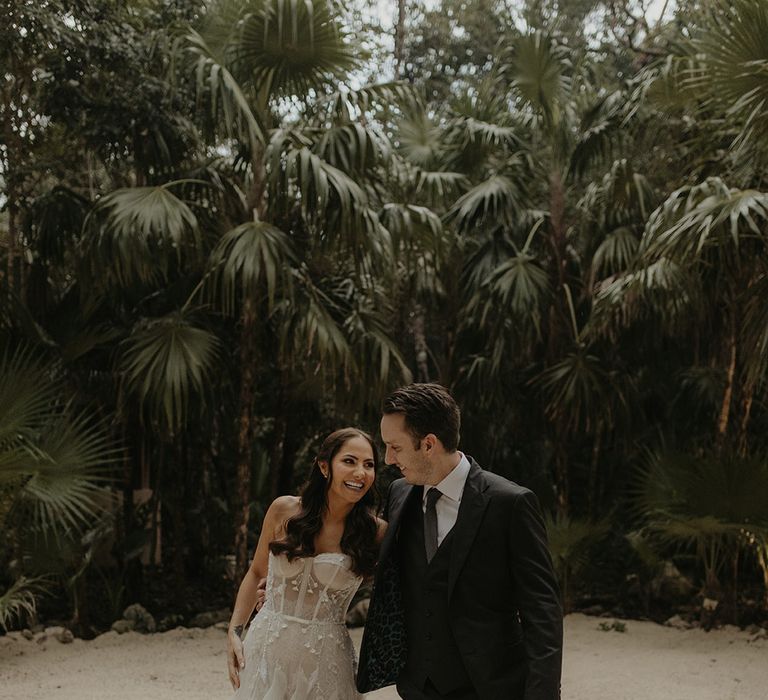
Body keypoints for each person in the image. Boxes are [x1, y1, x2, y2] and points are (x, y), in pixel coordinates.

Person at [357, 383, 563, 699]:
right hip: (417, 687)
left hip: (491, 687)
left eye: (395, 447)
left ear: (428, 444)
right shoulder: (399, 493)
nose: (386, 459)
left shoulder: (510, 503)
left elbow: (542, 613)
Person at [227, 427, 386, 699]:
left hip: (327, 661)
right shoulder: (283, 510)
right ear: (324, 467)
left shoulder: (377, 532)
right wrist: (234, 632)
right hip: (266, 649)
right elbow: (256, 573)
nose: (361, 473)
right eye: (349, 461)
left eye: (368, 465)